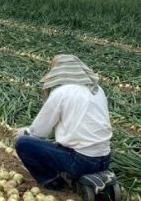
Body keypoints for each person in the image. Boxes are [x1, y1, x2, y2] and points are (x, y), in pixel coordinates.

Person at [14, 54, 112, 191]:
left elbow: (39, 132)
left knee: (23, 143)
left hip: (81, 162)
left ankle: (52, 180)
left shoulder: (61, 93)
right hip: (105, 160)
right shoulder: (97, 89)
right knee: (67, 143)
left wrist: (25, 132)